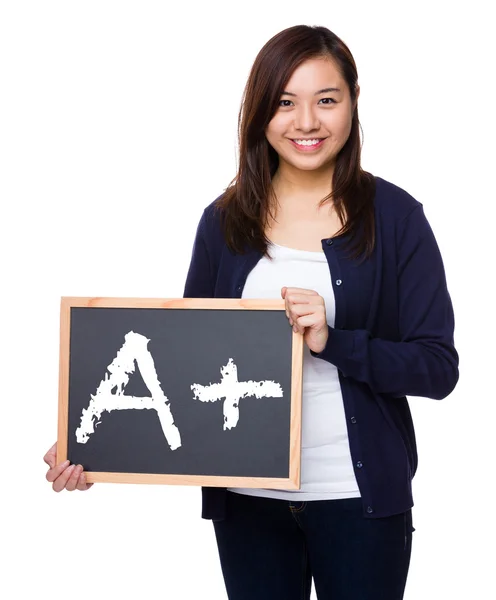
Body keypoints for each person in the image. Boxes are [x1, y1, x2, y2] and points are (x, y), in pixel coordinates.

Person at [44, 24, 459, 600]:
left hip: (360, 502)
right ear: (261, 111)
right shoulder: (224, 222)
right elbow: (179, 363)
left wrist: (334, 341)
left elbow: (437, 368)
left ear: (354, 102)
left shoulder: (396, 217)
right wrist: (95, 443)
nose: (306, 122)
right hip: (248, 506)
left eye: (326, 100)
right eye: (285, 102)